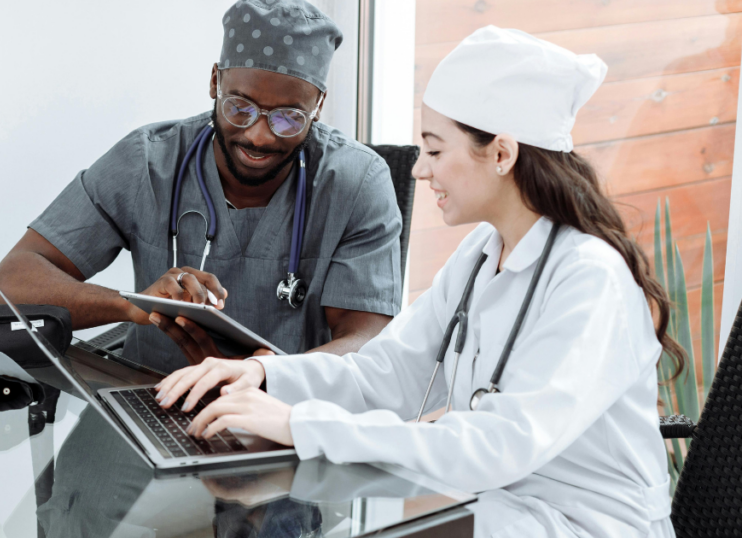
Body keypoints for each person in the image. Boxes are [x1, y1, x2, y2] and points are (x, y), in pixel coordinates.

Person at [153, 26, 686, 537]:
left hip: (582, 525)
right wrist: (265, 379)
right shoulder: (481, 253)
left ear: (502, 154)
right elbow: (385, 374)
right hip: (487, 506)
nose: (418, 171)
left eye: (434, 150)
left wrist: (300, 424)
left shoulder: (591, 279)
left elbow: (500, 444)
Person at [0, 0, 403, 374]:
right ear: (214, 82)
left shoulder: (355, 183)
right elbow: (8, 287)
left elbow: (366, 345)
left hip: (281, 415)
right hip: (149, 393)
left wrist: (262, 377)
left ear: (319, 106)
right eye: (239, 107)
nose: (259, 136)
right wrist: (133, 304)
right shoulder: (149, 162)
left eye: (289, 117)